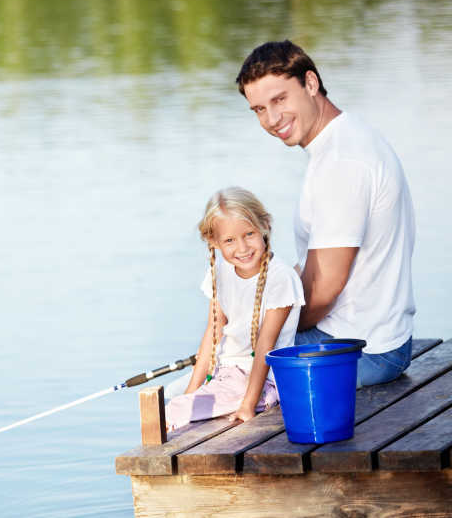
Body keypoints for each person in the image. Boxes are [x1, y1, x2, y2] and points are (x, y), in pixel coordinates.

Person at [235, 40, 416, 387]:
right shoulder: (345, 139)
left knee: (231, 374)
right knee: (232, 352)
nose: (272, 119)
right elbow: (312, 268)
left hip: (360, 350)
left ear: (311, 83)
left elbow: (323, 289)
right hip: (373, 338)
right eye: (259, 109)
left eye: (280, 99)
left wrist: (268, 328)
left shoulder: (342, 162)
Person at [164, 187, 304, 431]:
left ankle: (259, 401)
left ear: (265, 225)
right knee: (173, 400)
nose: (242, 248)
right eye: (229, 240)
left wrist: (248, 405)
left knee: (169, 413)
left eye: (249, 234)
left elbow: (265, 345)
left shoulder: (280, 278)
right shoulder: (220, 271)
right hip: (225, 372)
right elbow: (213, 332)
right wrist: (191, 393)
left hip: (264, 379)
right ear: (213, 241)